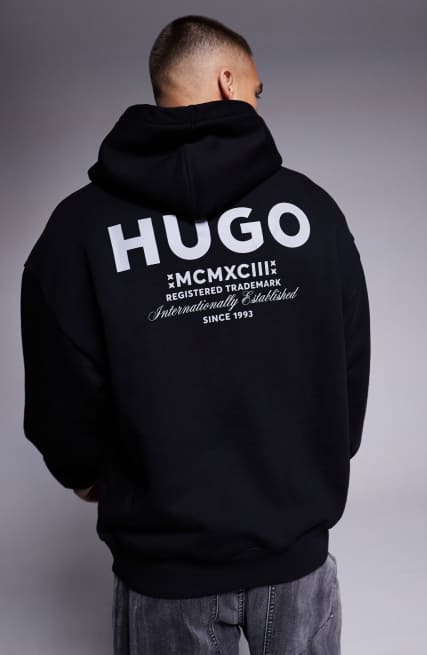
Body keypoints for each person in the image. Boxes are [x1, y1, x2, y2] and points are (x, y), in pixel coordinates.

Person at [19, 13, 371, 655]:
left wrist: (84, 470)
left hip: (166, 572)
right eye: (258, 90)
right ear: (229, 82)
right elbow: (349, 364)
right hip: (295, 557)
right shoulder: (310, 211)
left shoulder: (79, 231)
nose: (259, 103)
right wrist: (314, 465)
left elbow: (59, 385)